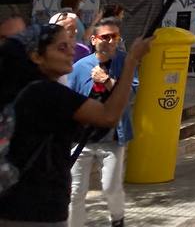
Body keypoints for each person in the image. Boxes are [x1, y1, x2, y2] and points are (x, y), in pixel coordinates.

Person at [0, 23, 150, 227]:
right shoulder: (47, 92)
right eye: (62, 47)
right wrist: (132, 60)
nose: (71, 50)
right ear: (36, 56)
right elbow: (108, 116)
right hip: (36, 211)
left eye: (71, 44)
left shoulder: (23, 90)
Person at [67, 18, 134, 227]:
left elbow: (130, 94)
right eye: (106, 37)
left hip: (112, 137)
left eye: (116, 37)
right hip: (81, 139)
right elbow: (68, 100)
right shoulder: (79, 67)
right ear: (94, 40)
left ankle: (117, 219)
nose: (111, 41)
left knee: (110, 187)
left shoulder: (125, 62)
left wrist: (106, 80)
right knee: (75, 192)